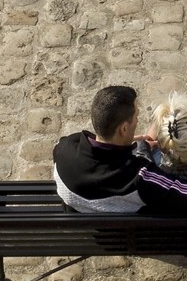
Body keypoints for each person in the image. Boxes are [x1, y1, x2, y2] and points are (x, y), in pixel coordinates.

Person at [53, 84, 156, 214]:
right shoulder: (139, 178)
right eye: (136, 116)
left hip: (77, 221)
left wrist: (124, 142)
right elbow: (182, 194)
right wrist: (144, 148)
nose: (137, 121)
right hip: (128, 227)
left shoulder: (64, 149)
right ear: (124, 129)